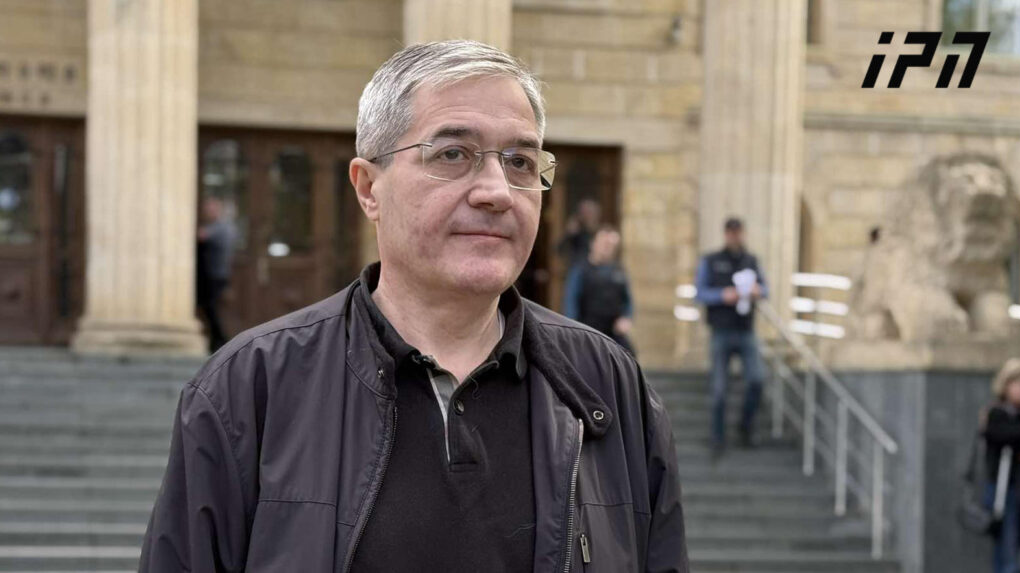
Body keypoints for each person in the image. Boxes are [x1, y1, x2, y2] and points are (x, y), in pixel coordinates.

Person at [140, 40, 686, 572]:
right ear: (368, 188)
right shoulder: (246, 390)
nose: (497, 191)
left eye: (520, 161)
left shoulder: (609, 386)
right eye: (453, 154)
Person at [695, 217, 768, 458]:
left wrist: (758, 291)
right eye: (731, 232)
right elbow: (700, 293)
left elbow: (765, 289)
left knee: (757, 379)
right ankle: (718, 436)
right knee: (718, 388)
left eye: (738, 232)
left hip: (745, 330)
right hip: (721, 330)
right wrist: (722, 296)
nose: (735, 236)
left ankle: (745, 427)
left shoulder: (751, 261)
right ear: (725, 234)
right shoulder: (711, 260)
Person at [563, 225, 636, 355]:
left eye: (612, 246)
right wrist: (573, 330)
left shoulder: (618, 271)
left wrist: (626, 318)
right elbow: (570, 302)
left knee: (631, 358)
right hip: (587, 332)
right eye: (605, 243)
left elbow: (628, 301)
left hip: (613, 333)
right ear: (594, 243)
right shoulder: (580, 270)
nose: (608, 248)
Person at [983, 358, 1020, 573]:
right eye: (1019, 383)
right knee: (1007, 552)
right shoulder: (998, 414)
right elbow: (1004, 436)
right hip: (1005, 491)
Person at [196, 196, 235, 353]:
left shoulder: (221, 227)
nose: (207, 211)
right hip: (211, 274)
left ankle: (221, 340)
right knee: (209, 308)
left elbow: (201, 236)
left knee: (211, 308)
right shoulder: (218, 226)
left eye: (211, 208)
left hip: (215, 274)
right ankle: (216, 340)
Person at [557, 197, 602, 268]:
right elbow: (559, 250)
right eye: (583, 212)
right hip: (578, 268)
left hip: (597, 268)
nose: (586, 215)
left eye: (589, 212)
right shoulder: (576, 233)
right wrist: (568, 234)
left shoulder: (601, 232)